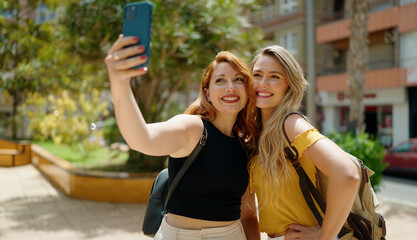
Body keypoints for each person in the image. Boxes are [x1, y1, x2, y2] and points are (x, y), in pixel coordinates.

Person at [104, 35, 260, 240]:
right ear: (207, 93)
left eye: (238, 79)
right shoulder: (193, 127)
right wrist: (120, 82)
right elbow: (141, 139)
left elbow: (248, 215)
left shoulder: (244, 143)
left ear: (247, 91)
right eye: (220, 80)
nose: (230, 86)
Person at [248, 46, 360, 240]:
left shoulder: (291, 124)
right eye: (257, 75)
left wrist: (325, 236)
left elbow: (347, 174)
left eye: (274, 76)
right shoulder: (256, 134)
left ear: (289, 85)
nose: (263, 84)